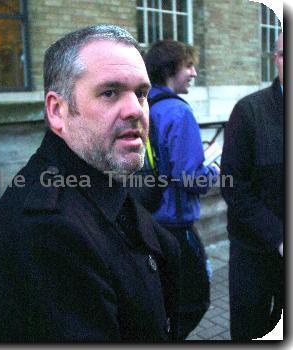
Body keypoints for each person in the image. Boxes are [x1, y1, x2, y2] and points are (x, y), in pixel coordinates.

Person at [0, 24, 182, 342]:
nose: (136, 110)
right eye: (110, 92)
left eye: (141, 93)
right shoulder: (45, 231)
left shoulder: (104, 173)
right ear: (58, 110)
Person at [144, 40, 220, 339]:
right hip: (175, 227)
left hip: (145, 218)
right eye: (188, 66)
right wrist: (213, 171)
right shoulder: (178, 112)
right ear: (170, 69)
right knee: (194, 302)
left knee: (159, 302)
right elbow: (191, 179)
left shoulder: (143, 104)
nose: (194, 72)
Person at [220, 32, 283, 340]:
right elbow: (232, 185)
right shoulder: (249, 112)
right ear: (276, 59)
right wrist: (279, 237)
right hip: (253, 253)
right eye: (286, 54)